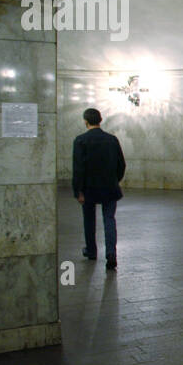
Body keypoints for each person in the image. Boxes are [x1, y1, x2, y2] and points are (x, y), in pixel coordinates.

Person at [72, 107, 126, 270]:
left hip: (89, 188)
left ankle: (91, 251)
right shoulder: (112, 139)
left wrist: (78, 191)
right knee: (109, 220)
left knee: (89, 220)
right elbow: (121, 164)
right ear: (100, 120)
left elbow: (78, 168)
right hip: (110, 187)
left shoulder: (80, 140)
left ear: (86, 121)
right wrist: (115, 180)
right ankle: (111, 253)